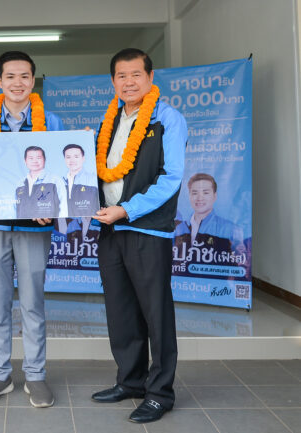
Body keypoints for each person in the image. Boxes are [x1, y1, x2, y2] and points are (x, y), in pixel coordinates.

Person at [0, 51, 63, 408]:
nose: (18, 83)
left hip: (35, 227)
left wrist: (52, 207)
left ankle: (35, 376)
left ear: (33, 81)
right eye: (10, 76)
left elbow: (60, 174)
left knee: (33, 304)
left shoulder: (51, 121)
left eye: (24, 76)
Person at [90, 48, 187, 423]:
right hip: (110, 228)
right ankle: (130, 381)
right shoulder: (109, 120)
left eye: (135, 74)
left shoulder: (167, 119)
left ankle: (160, 393)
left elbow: (171, 178)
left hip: (146, 228)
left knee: (155, 312)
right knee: (121, 310)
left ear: (150, 77)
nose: (128, 82)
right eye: (121, 75)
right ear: (112, 81)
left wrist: (128, 209)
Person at [175, 173, 244, 252]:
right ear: (189, 196)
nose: (200, 198)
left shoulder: (231, 229)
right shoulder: (178, 228)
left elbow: (239, 257)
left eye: (205, 193)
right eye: (194, 193)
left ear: (215, 196)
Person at [15, 146, 65, 219]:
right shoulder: (20, 183)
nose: (35, 161)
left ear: (44, 159)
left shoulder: (55, 181)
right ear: (25, 161)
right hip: (22, 225)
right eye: (31, 158)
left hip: (49, 224)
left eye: (38, 158)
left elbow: (64, 207)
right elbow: (15, 209)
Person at [62, 144, 99, 217]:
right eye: (68, 157)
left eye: (76, 157)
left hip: (89, 221)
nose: (72, 160)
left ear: (83, 158)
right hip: (63, 222)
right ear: (64, 159)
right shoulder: (59, 181)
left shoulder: (93, 179)